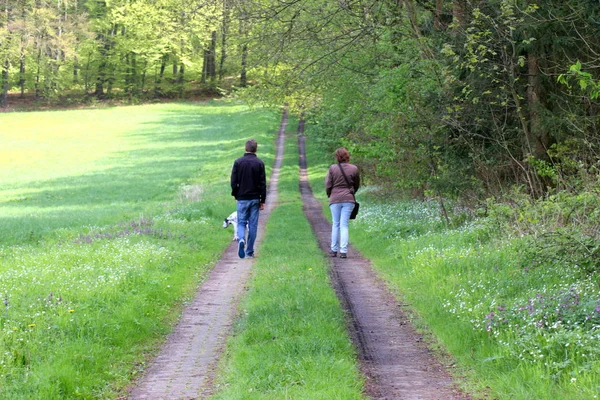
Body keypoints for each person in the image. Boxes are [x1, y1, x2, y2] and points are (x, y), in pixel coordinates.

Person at [231, 139, 266, 259]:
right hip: (255, 198)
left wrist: (236, 194)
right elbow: (262, 184)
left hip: (242, 198)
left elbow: (233, 182)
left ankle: (241, 239)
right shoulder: (259, 163)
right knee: (253, 225)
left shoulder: (238, 162)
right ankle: (249, 251)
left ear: (245, 148)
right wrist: (263, 200)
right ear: (256, 149)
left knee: (241, 222)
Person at [325, 147, 360, 259]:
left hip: (335, 198)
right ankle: (343, 251)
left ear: (337, 157)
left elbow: (328, 185)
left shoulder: (332, 168)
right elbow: (356, 184)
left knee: (336, 224)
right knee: (344, 225)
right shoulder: (354, 168)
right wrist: (351, 192)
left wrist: (330, 194)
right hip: (349, 199)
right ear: (347, 156)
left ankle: (333, 250)